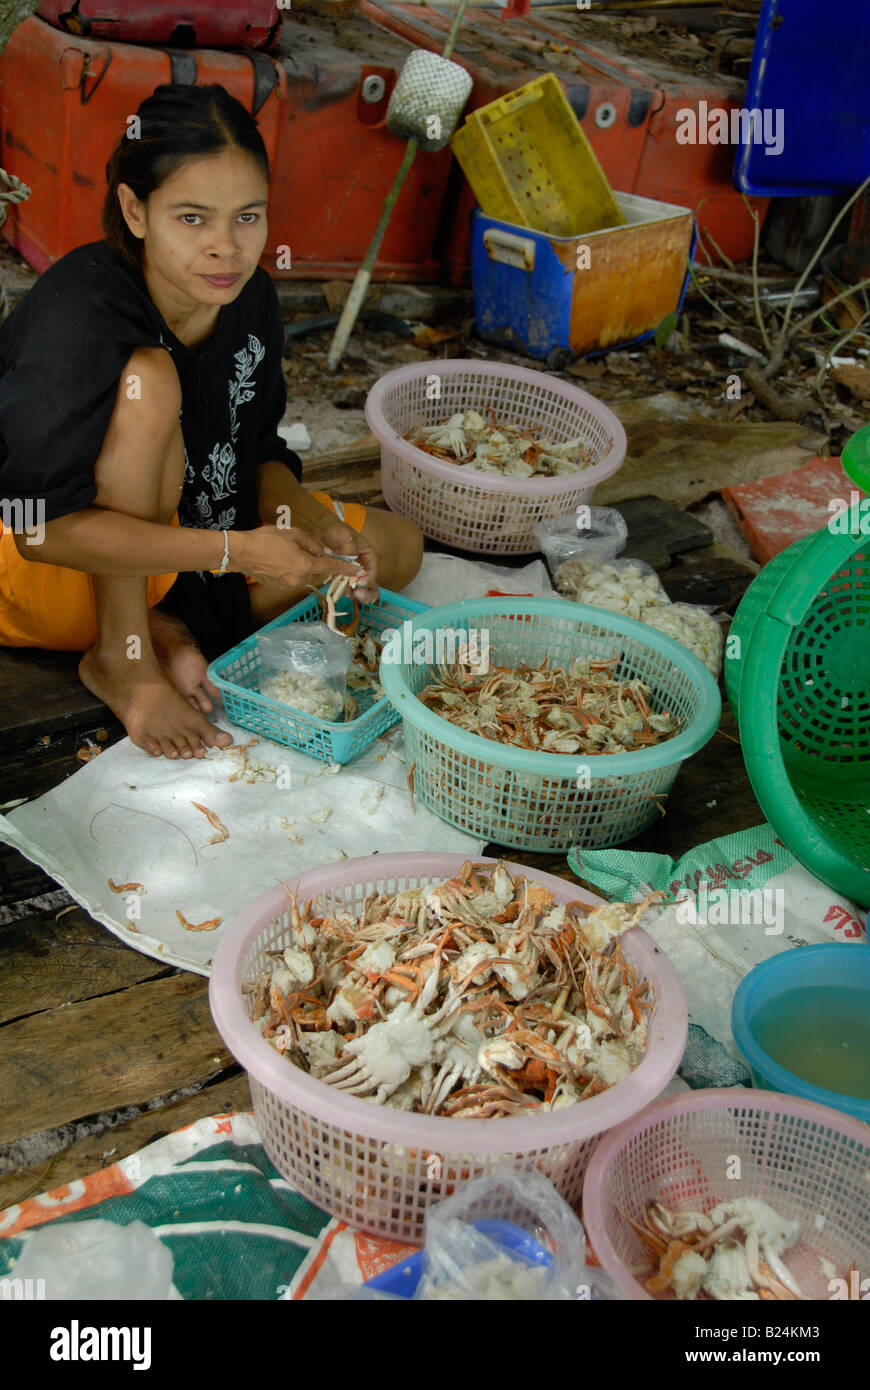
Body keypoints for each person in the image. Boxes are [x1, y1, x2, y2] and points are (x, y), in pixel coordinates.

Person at [0, 82, 423, 761]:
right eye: (192, 219)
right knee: (148, 383)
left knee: (396, 550)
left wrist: (308, 525)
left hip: (195, 545)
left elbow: (258, 451)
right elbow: (39, 533)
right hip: (59, 570)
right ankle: (125, 654)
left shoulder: (248, 295)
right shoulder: (78, 316)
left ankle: (168, 626)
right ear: (135, 211)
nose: (226, 247)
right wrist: (243, 552)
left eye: (247, 217)